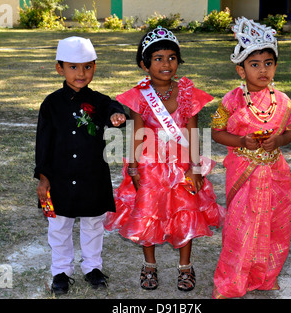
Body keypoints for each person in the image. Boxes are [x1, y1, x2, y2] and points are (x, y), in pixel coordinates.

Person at [104, 26, 226, 292]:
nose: (166, 64)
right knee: (148, 212)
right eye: (158, 58)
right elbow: (138, 132)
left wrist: (195, 168)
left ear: (178, 62)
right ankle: (149, 264)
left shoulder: (187, 92)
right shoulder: (140, 95)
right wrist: (133, 167)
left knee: (186, 211)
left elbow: (193, 133)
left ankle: (185, 266)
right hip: (149, 165)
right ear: (144, 65)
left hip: (182, 164)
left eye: (172, 57)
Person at [211, 17, 291, 298]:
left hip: (275, 174)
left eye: (269, 63)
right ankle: (231, 282)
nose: (263, 70)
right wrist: (240, 141)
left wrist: (279, 140)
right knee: (242, 226)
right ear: (241, 69)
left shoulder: (283, 101)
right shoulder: (230, 100)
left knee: (274, 225)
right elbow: (216, 132)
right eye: (255, 64)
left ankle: (264, 276)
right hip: (243, 172)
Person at [34, 36, 126, 295]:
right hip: (59, 178)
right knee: (59, 225)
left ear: (94, 67)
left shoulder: (99, 101)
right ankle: (61, 271)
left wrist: (117, 115)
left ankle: (92, 267)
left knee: (93, 224)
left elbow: (114, 107)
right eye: (73, 67)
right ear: (59, 68)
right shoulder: (51, 104)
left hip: (92, 177)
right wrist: (43, 177)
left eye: (87, 66)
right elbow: (43, 143)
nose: (81, 73)